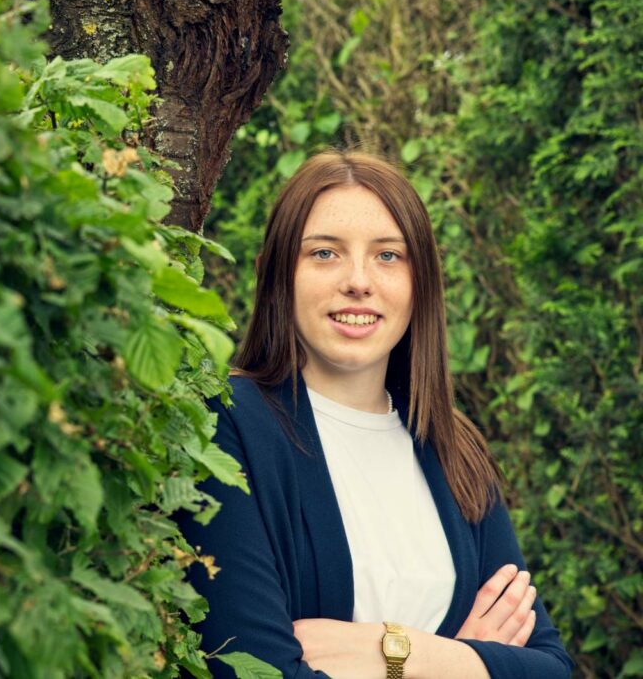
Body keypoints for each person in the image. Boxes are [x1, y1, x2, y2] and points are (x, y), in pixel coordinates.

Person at [177, 151, 574, 678]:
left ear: (420, 283)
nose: (359, 281)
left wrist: (401, 653)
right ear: (276, 274)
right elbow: (254, 670)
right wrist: (470, 660)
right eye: (324, 253)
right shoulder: (226, 426)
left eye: (388, 256)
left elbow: (549, 667)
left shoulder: (452, 445)